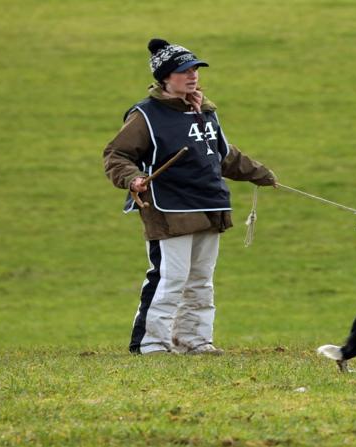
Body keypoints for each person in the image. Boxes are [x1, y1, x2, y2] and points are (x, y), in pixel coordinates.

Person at [103, 38, 277, 355]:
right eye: (184, 70)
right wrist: (132, 178)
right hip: (169, 207)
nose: (192, 75)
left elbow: (222, 155)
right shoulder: (146, 115)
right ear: (165, 77)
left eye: (195, 69)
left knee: (200, 279)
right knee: (170, 277)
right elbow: (117, 155)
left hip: (209, 202)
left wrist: (259, 173)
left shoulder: (205, 111)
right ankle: (151, 343)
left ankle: (193, 340)